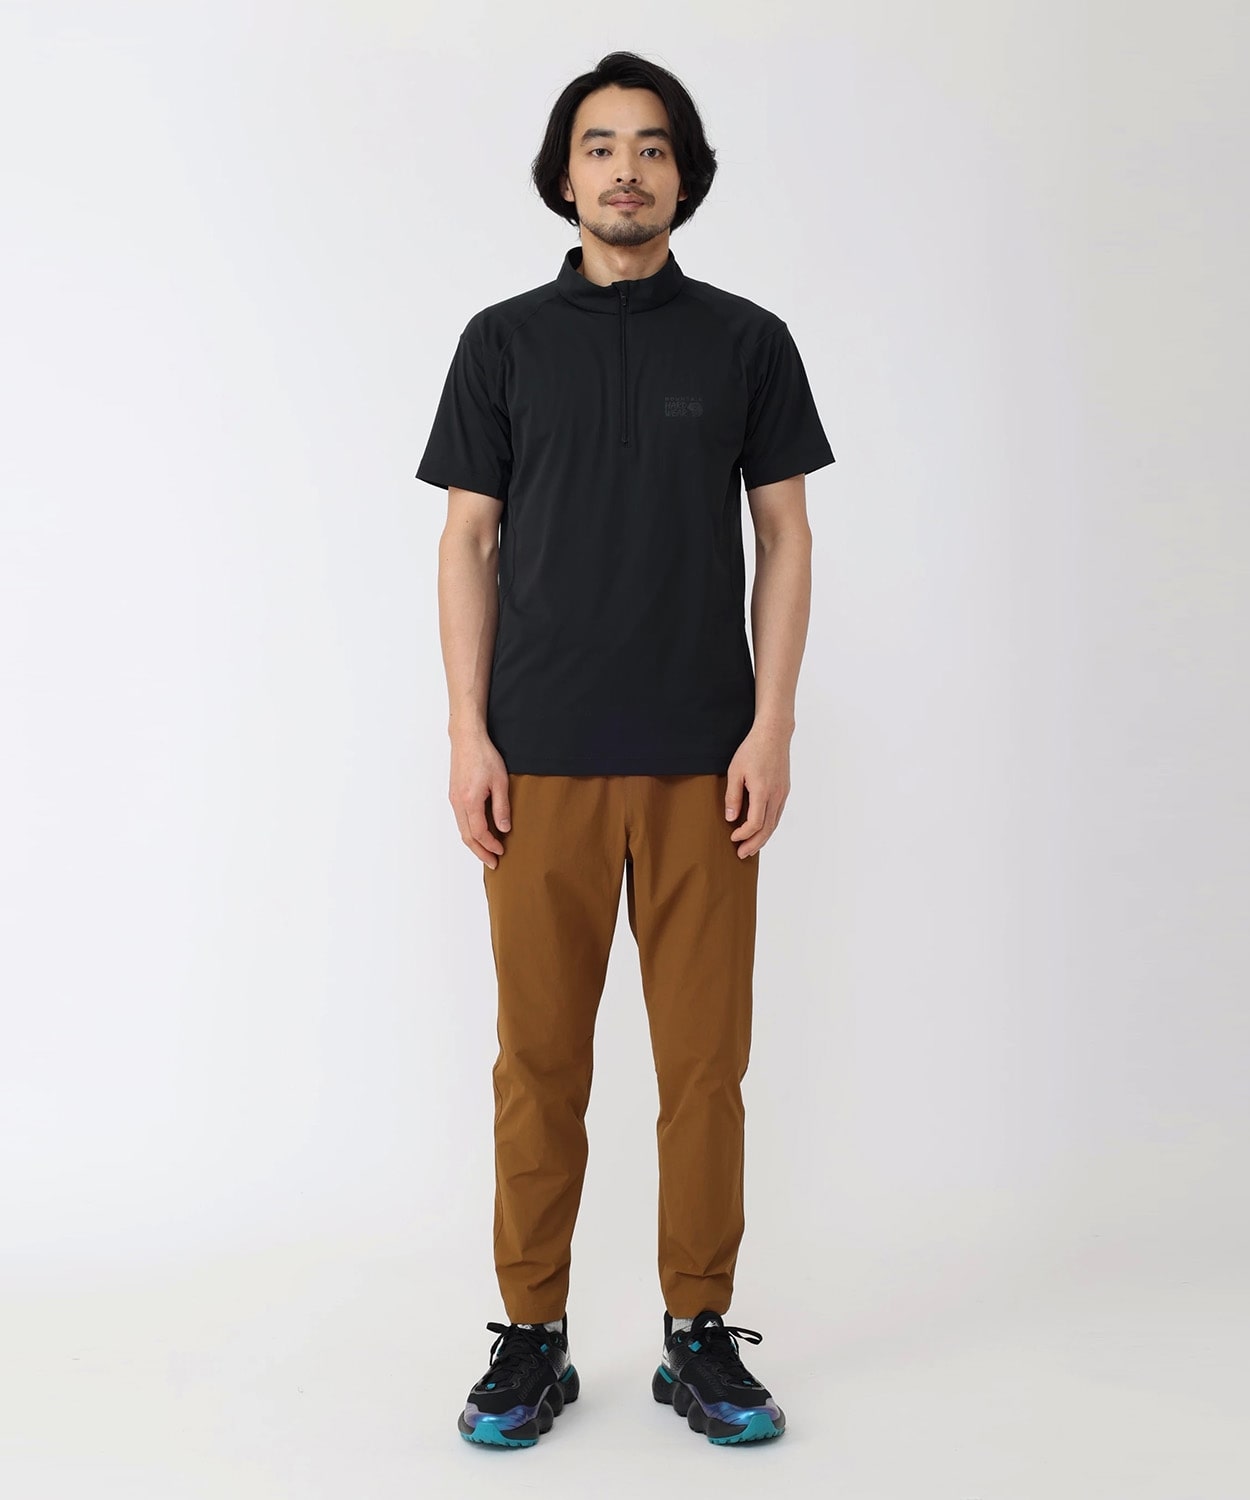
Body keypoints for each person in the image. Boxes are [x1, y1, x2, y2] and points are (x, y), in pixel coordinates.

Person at [415, 50, 835, 1448]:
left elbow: (784, 537)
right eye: (599, 146)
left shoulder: (746, 342)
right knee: (537, 1066)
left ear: (684, 176)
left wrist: (771, 725)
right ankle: (531, 1336)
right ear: (564, 175)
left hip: (704, 763)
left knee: (703, 1068)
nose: (626, 170)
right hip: (536, 761)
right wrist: (468, 733)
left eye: (652, 147)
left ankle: (696, 1333)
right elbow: (466, 542)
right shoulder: (502, 344)